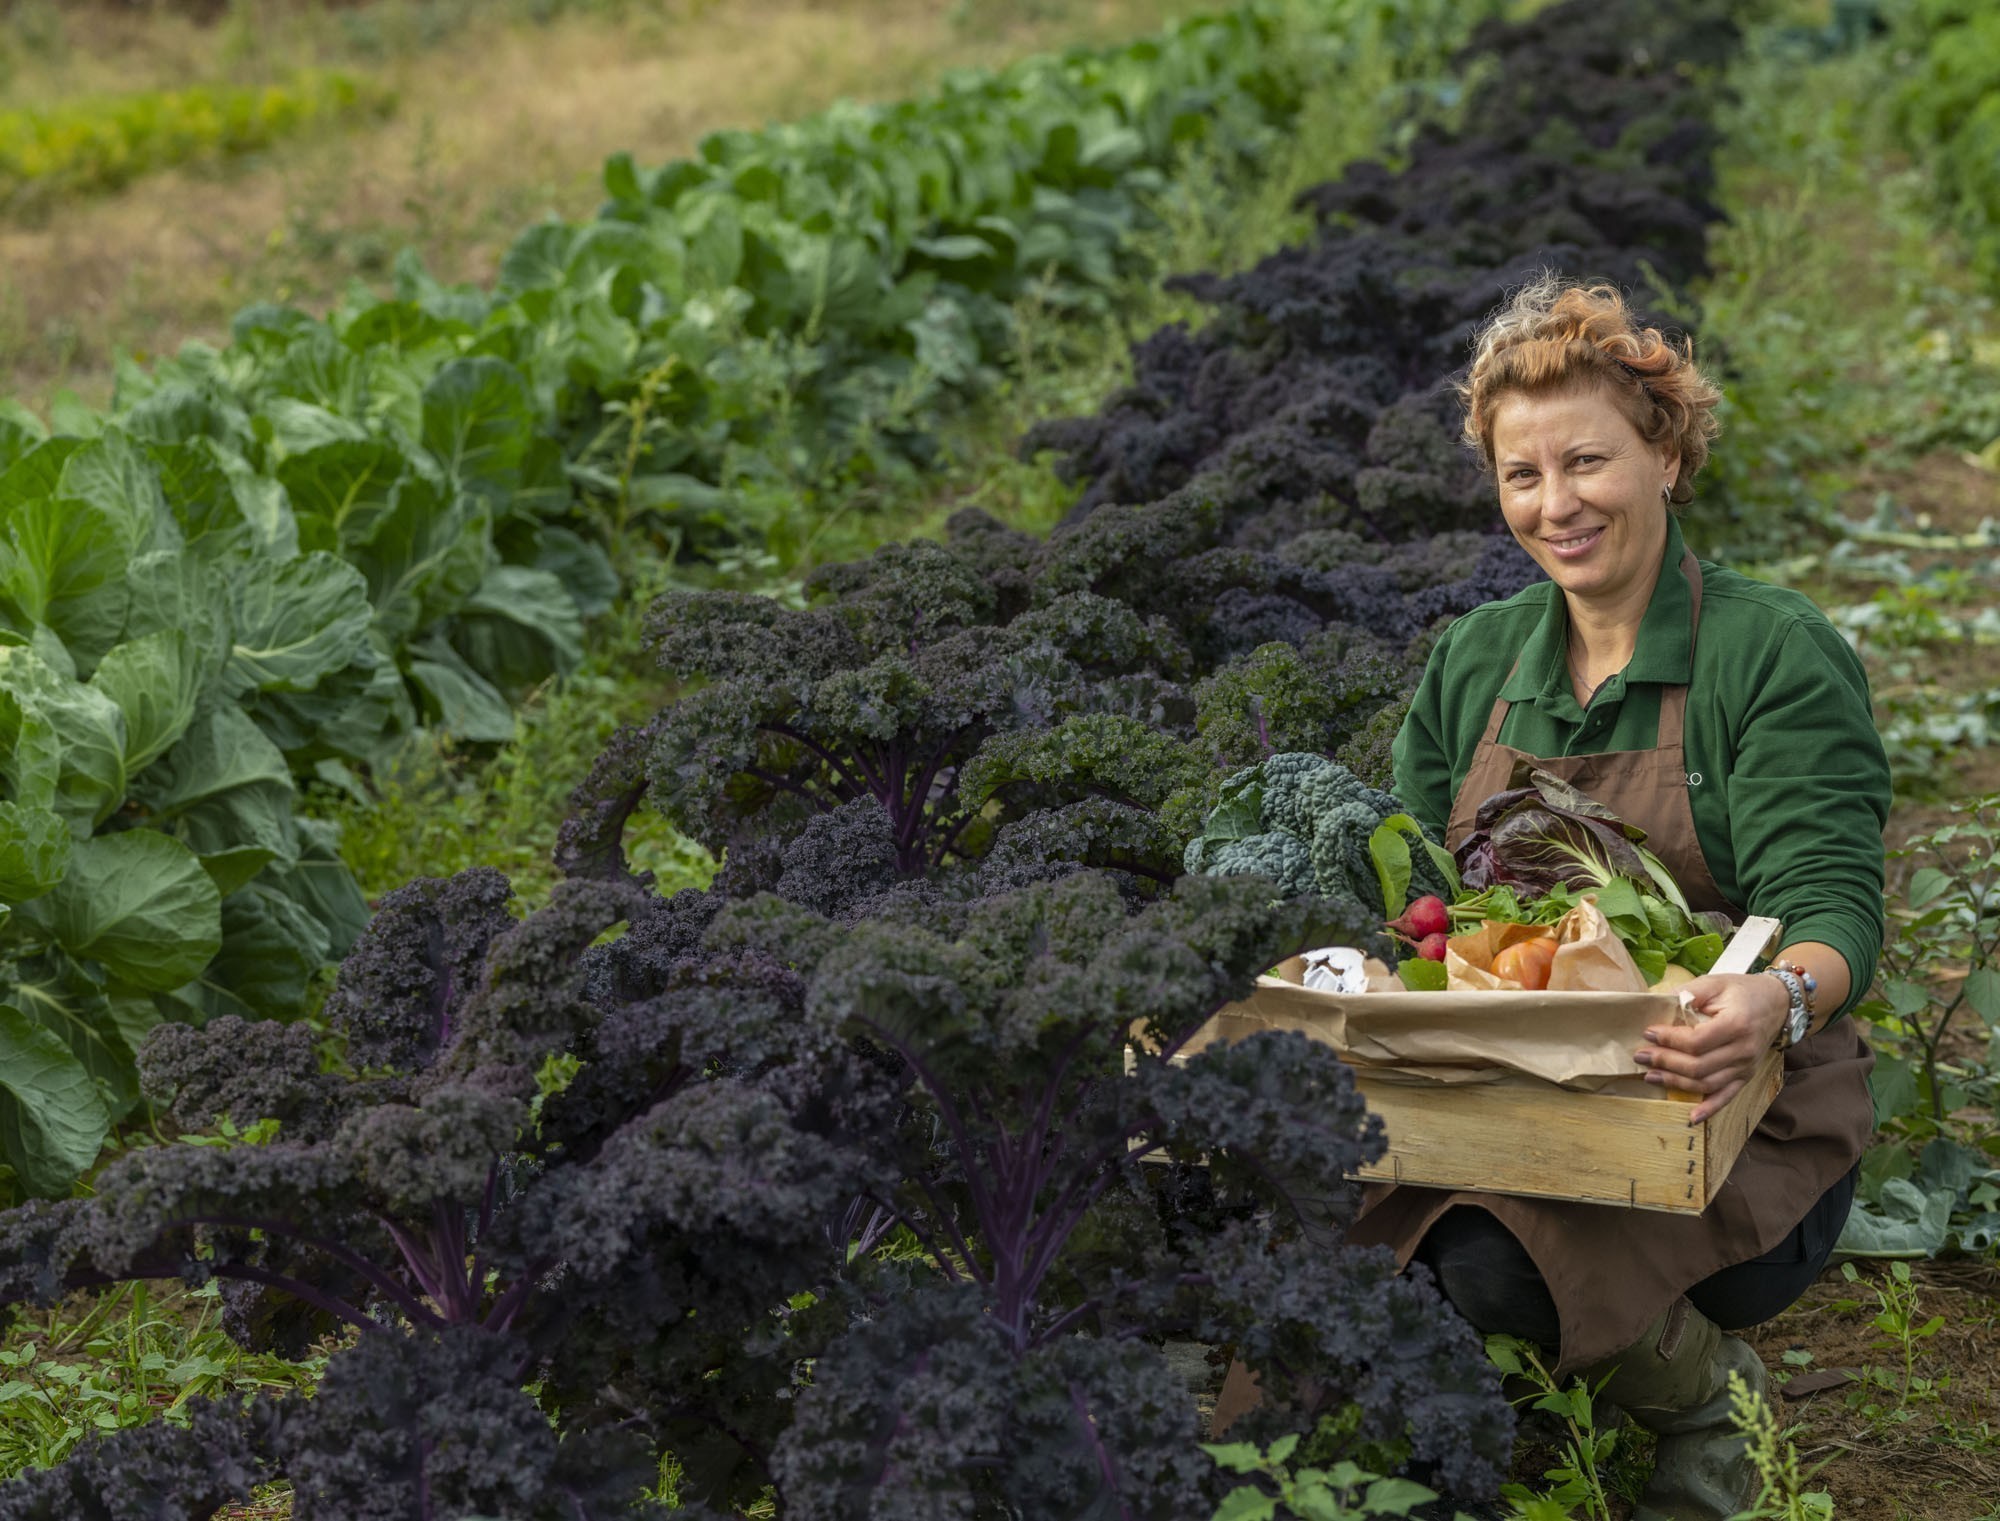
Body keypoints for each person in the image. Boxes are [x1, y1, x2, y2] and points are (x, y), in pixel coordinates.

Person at [1360, 275, 1889, 1520]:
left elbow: (1831, 909)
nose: (1556, 506)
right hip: (1500, 1086)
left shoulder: (1766, 652)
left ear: (1663, 452)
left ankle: (1711, 1402)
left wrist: (1771, 1002)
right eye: (1520, 476)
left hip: (1715, 1106)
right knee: (1323, 1228)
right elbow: (1416, 897)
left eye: (1586, 461)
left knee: (1485, 1265)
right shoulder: (1475, 659)